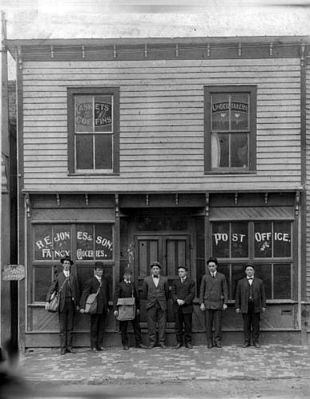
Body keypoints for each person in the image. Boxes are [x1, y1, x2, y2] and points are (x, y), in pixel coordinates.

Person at [45, 256, 80, 355]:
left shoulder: (73, 277)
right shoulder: (59, 276)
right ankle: (63, 348)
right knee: (62, 327)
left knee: (70, 327)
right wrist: (48, 300)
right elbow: (52, 289)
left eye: (68, 263)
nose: (66, 265)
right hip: (62, 304)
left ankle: (69, 347)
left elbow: (77, 291)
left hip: (71, 304)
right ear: (62, 265)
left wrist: (77, 304)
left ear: (70, 265)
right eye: (65, 263)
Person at [80, 262, 111, 351]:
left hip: (103, 308)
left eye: (101, 270)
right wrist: (82, 306)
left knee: (102, 327)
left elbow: (107, 295)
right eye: (98, 270)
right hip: (94, 308)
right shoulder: (90, 281)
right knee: (94, 327)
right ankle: (93, 346)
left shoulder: (104, 281)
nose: (100, 272)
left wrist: (107, 306)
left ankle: (100, 345)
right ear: (95, 271)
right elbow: (85, 294)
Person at [113, 268, 147, 350]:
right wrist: (115, 309)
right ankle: (125, 344)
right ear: (124, 275)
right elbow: (116, 297)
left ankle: (139, 343)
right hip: (123, 308)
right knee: (123, 327)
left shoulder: (132, 285)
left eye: (129, 274)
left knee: (136, 326)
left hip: (133, 308)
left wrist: (138, 308)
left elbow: (136, 297)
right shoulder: (120, 285)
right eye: (126, 274)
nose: (128, 276)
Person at [199, 257, 228, 348]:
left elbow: (225, 290)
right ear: (208, 267)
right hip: (207, 304)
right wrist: (201, 303)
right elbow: (201, 291)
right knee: (208, 324)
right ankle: (209, 341)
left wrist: (225, 302)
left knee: (218, 324)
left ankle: (217, 341)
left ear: (216, 266)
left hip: (218, 303)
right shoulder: (205, 277)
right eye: (210, 266)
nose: (211, 268)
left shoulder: (221, 276)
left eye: (213, 266)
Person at [235, 264, 266, 348]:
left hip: (256, 306)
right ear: (245, 272)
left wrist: (263, 306)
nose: (249, 271)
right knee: (246, 325)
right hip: (245, 306)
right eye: (248, 270)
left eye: (251, 270)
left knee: (256, 325)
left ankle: (256, 341)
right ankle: (246, 341)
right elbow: (237, 295)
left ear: (254, 271)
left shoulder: (259, 282)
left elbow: (263, 295)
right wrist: (237, 306)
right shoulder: (241, 282)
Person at [142, 261, 169, 349]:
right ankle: (152, 342)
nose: (155, 270)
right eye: (154, 269)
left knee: (162, 324)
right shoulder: (146, 280)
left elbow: (167, 293)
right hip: (151, 304)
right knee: (151, 324)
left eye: (157, 269)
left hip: (162, 304)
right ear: (151, 270)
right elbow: (144, 293)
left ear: (159, 270)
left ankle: (162, 342)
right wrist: (150, 299)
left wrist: (162, 299)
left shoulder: (165, 279)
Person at [171, 266, 195, 349]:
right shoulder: (175, 282)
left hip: (187, 307)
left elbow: (192, 294)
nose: (180, 273)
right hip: (177, 307)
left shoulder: (191, 282)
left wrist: (184, 301)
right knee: (178, 325)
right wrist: (177, 300)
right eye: (179, 271)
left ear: (186, 272)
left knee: (188, 325)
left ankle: (188, 342)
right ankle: (179, 342)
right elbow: (173, 293)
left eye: (182, 271)